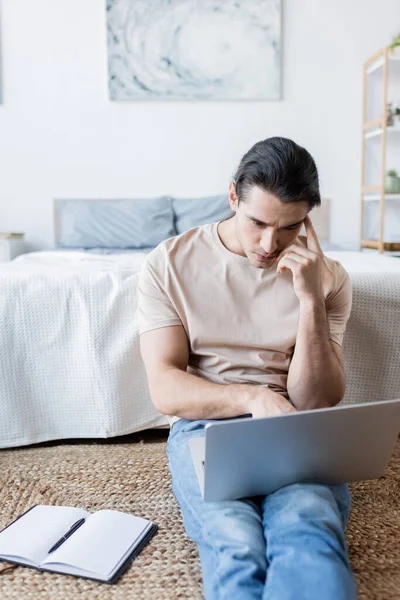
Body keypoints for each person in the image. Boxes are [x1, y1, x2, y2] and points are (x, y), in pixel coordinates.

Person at [138, 137, 357, 600]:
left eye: (289, 228)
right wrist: (253, 397)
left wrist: (309, 300)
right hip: (206, 426)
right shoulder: (169, 263)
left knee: (308, 530)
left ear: (308, 218)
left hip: (295, 424)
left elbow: (317, 398)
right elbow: (165, 386)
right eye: (257, 222)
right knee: (236, 543)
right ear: (233, 195)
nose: (268, 244)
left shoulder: (328, 277)